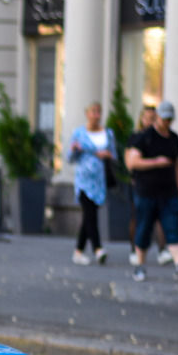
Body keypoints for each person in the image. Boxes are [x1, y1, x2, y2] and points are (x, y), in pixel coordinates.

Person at [124, 100, 178, 282]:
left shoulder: (173, 138)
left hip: (168, 193)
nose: (167, 123)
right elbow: (132, 162)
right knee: (144, 229)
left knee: (172, 228)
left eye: (170, 119)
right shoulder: (144, 137)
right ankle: (140, 266)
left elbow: (176, 165)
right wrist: (155, 162)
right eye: (164, 119)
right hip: (146, 192)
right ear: (157, 118)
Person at [67, 102, 116, 265]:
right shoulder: (78, 133)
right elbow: (69, 158)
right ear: (87, 113)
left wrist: (106, 155)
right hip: (83, 180)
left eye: (99, 112)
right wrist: (74, 149)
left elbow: (114, 155)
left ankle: (78, 251)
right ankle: (98, 249)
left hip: (100, 180)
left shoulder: (108, 133)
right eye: (93, 112)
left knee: (89, 216)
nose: (96, 115)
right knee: (90, 215)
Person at [128, 105, 172, 266]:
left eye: (154, 118)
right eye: (148, 118)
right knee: (141, 219)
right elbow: (130, 162)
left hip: (162, 188)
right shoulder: (137, 137)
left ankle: (163, 250)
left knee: (162, 219)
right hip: (141, 186)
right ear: (141, 119)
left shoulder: (165, 137)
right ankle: (135, 250)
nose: (151, 121)